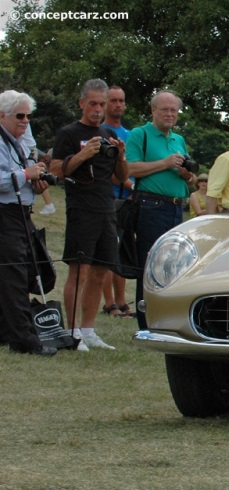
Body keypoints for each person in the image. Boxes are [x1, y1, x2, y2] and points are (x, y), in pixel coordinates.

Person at [50, 79, 129, 350]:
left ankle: (89, 329)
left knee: (100, 271)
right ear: (82, 103)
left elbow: (122, 179)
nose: (98, 109)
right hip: (81, 209)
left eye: (102, 104)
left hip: (106, 208)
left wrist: (120, 156)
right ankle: (72, 331)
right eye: (93, 103)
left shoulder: (108, 133)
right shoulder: (68, 133)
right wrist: (83, 154)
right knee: (80, 270)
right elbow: (58, 170)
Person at [127, 89, 197, 329]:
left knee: (174, 265)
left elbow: (188, 179)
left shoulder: (178, 140)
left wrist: (187, 175)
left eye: (174, 110)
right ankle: (145, 321)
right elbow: (130, 169)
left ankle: (169, 318)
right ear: (153, 111)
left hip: (177, 207)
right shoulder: (140, 134)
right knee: (149, 264)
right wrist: (165, 163)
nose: (169, 114)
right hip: (151, 206)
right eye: (164, 109)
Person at [0, 90, 57, 356]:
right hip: (4, 214)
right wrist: (26, 174)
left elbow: (22, 181)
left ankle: (6, 330)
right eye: (19, 116)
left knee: (23, 271)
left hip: (22, 212)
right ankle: (24, 340)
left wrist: (36, 183)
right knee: (14, 274)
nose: (25, 121)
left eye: (28, 116)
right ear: (2, 115)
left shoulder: (21, 142)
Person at [100, 85, 135, 318]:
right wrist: (129, 183)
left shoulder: (130, 135)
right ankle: (109, 303)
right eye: (113, 100)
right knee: (107, 250)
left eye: (121, 100)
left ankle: (122, 302)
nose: (118, 105)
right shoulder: (100, 131)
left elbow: (130, 164)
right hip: (107, 196)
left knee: (121, 248)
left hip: (126, 201)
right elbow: (107, 169)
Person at [20, 125, 56, 215]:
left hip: (27, 151)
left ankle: (49, 205)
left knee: (37, 178)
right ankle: (49, 204)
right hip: (27, 149)